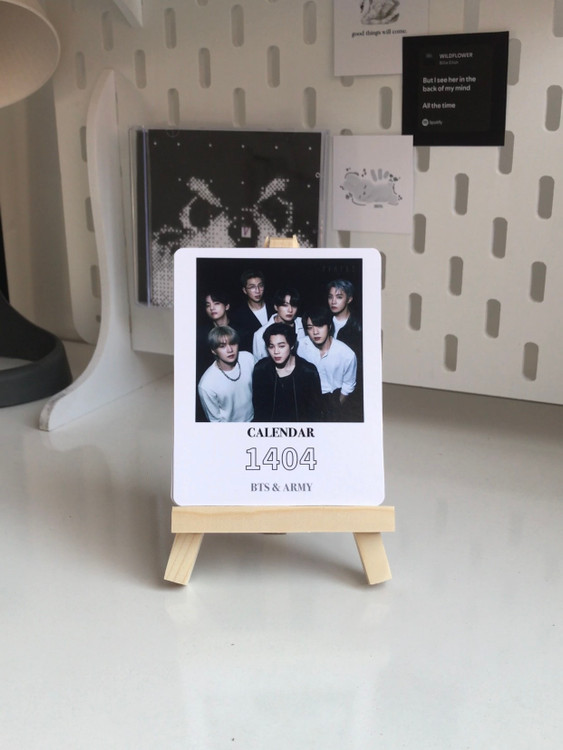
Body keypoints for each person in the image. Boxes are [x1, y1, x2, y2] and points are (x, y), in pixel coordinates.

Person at [252, 323, 322, 422]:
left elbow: (315, 413)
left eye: (281, 346)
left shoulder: (308, 372)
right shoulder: (261, 370)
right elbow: (259, 410)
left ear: (292, 345)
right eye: (271, 347)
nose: (276, 352)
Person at [300, 307, 357, 421]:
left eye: (320, 326)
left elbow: (348, 385)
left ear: (329, 326)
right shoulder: (300, 345)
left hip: (332, 400)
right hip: (306, 400)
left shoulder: (347, 354)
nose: (315, 332)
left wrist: (336, 406)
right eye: (310, 327)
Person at [197, 326, 254, 422]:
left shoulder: (248, 358)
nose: (230, 350)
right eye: (222, 346)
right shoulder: (206, 384)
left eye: (233, 343)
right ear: (213, 350)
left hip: (255, 420)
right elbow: (215, 421)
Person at [252, 287, 305, 361]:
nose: (290, 310)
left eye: (293, 305)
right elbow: (259, 363)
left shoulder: (304, 324)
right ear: (276, 307)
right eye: (285, 305)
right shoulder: (259, 334)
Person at [229, 269, 275, 352]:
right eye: (252, 287)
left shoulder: (274, 306)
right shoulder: (239, 316)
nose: (257, 291)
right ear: (244, 290)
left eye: (260, 286)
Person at [327, 279, 362, 357]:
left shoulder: (359, 326)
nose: (333, 302)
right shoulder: (324, 321)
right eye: (330, 297)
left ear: (349, 299)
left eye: (339, 297)